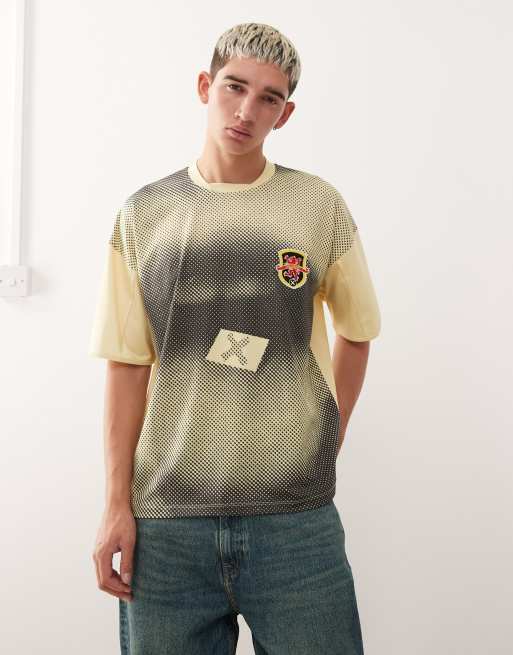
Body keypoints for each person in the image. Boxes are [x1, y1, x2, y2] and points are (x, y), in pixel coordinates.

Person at [88, 21, 381, 655]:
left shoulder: (317, 206)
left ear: (286, 113)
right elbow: (127, 364)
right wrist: (115, 505)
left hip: (295, 520)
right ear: (205, 86)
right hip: (167, 521)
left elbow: (358, 333)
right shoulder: (144, 214)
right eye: (234, 87)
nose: (247, 110)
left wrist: (330, 432)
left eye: (269, 98)